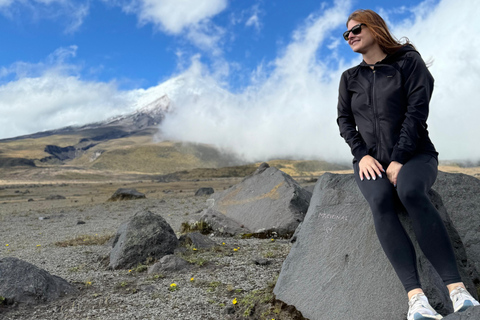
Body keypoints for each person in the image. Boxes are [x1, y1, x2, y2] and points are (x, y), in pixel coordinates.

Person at [336, 9, 479, 320]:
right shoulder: (350, 78)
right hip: (371, 160)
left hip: (416, 155)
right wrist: (362, 155)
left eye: (356, 29)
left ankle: (458, 291)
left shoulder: (407, 62)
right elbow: (344, 121)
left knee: (410, 192)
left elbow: (417, 113)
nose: (350, 36)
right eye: (346, 34)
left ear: (374, 28)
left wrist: (399, 158)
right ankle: (417, 299)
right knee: (380, 199)